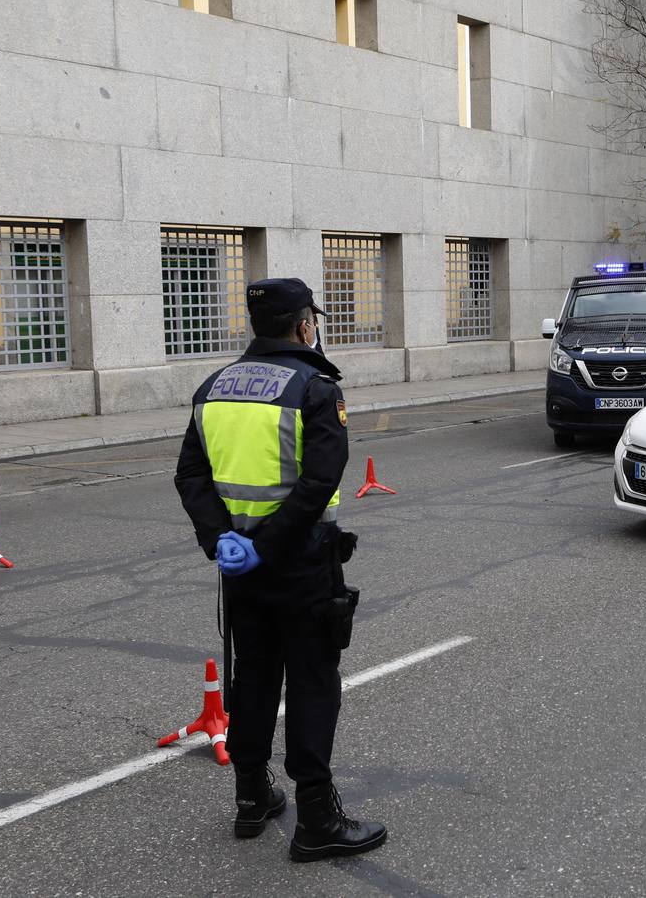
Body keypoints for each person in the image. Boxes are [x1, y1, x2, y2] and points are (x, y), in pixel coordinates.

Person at [174, 277, 385, 862]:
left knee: (254, 678)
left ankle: (252, 799)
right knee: (313, 679)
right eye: (312, 320)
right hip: (301, 563)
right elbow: (320, 481)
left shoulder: (213, 387)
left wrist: (224, 540)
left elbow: (191, 475)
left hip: (239, 569)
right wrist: (268, 544)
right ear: (303, 325)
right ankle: (317, 817)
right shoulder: (314, 388)